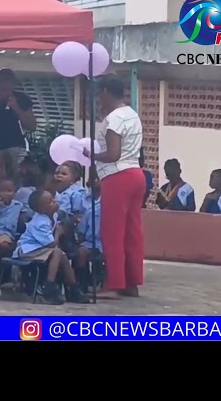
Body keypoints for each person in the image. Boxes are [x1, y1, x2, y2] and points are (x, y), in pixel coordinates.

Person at [83, 75, 145, 300]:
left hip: (117, 176)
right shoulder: (131, 114)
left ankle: (114, 283)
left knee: (112, 232)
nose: (99, 99)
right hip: (136, 174)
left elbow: (113, 154)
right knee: (132, 232)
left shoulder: (114, 118)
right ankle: (131, 282)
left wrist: (92, 155)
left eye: (100, 94)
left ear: (107, 91)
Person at [13, 189, 88, 305]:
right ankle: (48, 287)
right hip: (28, 250)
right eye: (51, 202)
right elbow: (51, 244)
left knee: (63, 256)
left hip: (40, 249)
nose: (55, 201)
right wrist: (58, 232)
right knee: (57, 252)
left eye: (53, 199)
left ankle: (73, 288)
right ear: (42, 209)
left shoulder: (52, 215)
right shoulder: (40, 222)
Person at [0, 178, 22, 258]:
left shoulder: (18, 206)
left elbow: (22, 221)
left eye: (9, 191)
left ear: (15, 193)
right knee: (0, 245)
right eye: (3, 191)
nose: (6, 194)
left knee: (5, 245)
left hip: (9, 233)